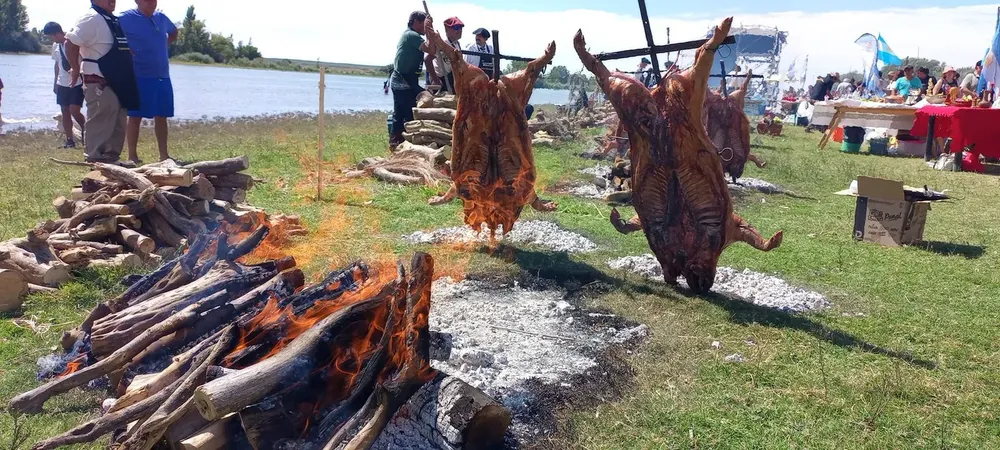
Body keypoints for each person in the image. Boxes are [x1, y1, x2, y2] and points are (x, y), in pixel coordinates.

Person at [65, 0, 140, 164]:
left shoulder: (113, 20)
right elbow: (70, 43)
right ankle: (95, 159)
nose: (112, 0)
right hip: (99, 81)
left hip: (119, 81)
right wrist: (75, 69)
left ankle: (112, 159)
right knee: (101, 119)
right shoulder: (90, 18)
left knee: (118, 121)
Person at [119, 0, 178, 163]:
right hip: (139, 74)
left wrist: (164, 44)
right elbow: (111, 34)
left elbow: (174, 32)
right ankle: (132, 156)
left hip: (162, 75)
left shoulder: (162, 18)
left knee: (162, 115)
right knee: (135, 116)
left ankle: (164, 156)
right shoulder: (125, 18)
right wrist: (124, 49)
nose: (152, 2)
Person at [389, 11, 435, 148]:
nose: (423, 27)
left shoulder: (413, 36)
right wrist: (429, 31)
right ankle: (399, 142)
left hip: (410, 80)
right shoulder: (411, 35)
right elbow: (430, 48)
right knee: (406, 113)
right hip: (402, 80)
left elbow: (432, 49)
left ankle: (399, 142)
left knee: (403, 112)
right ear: (415, 22)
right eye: (422, 24)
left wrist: (429, 31)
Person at [44, 22, 87, 149]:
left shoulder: (73, 41)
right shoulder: (55, 46)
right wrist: (55, 82)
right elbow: (57, 64)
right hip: (62, 83)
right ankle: (70, 140)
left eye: (51, 36)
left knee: (75, 110)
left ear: (57, 33)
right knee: (65, 110)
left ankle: (86, 131)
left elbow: (83, 61)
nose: (51, 39)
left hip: (77, 81)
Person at [428, 17, 463, 94]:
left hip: (452, 79)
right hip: (440, 79)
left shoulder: (457, 44)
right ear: (447, 29)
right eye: (456, 27)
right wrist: (435, 79)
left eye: (461, 28)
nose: (460, 30)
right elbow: (427, 59)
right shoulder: (440, 42)